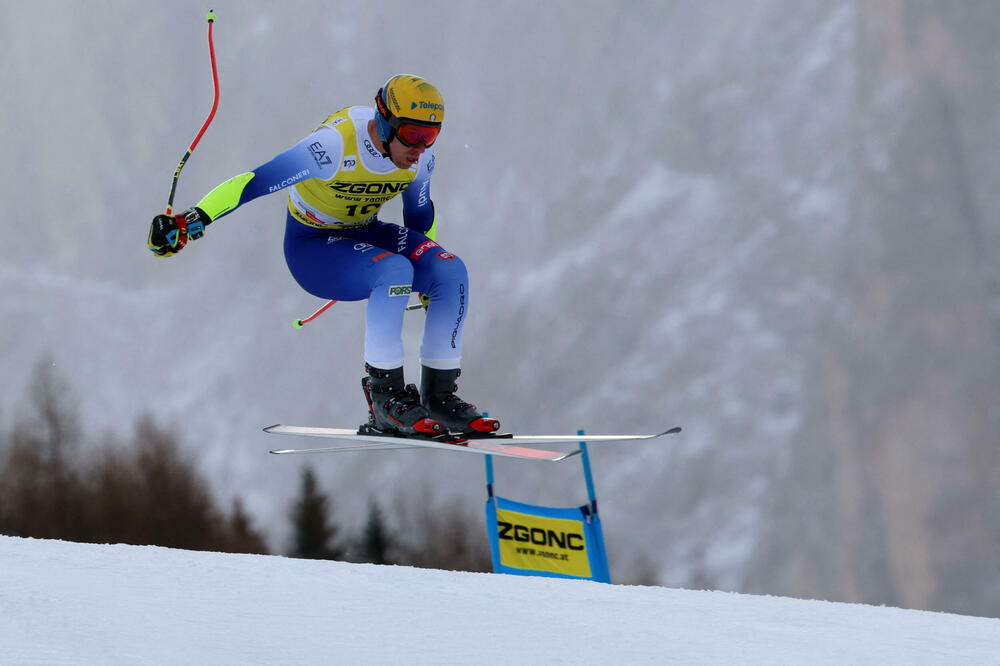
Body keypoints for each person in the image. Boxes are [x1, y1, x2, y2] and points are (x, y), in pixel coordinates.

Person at [148, 74, 499, 438]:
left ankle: (440, 398)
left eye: (431, 136)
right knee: (394, 271)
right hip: (313, 248)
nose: (421, 148)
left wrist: (428, 281)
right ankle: (385, 401)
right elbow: (254, 182)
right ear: (385, 122)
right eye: (413, 135)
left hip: (365, 232)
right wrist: (194, 219)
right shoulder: (332, 146)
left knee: (450, 272)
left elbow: (419, 220)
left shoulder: (419, 161)